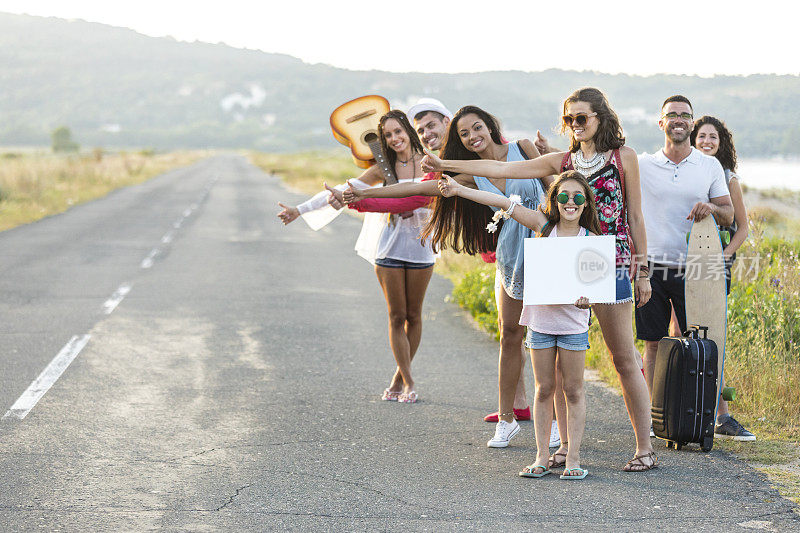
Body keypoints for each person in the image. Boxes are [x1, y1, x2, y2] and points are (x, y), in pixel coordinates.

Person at [421, 88, 658, 472]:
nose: (575, 125)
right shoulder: (561, 161)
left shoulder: (623, 158)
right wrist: (443, 162)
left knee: (624, 359)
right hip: (562, 266)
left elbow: (635, 218)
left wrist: (643, 271)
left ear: (600, 117)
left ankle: (645, 449)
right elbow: (501, 170)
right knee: (563, 366)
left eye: (582, 117)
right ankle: (564, 448)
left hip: (610, 264)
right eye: (569, 119)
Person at [344, 105, 557, 449]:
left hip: (547, 247)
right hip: (512, 254)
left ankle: (556, 420)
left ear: (490, 126)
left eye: (477, 128)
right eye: (464, 134)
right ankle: (506, 420)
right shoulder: (470, 176)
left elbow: (555, 188)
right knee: (509, 336)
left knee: (549, 336)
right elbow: (415, 191)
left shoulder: (522, 149)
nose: (473, 137)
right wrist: (366, 193)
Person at [438, 170, 600, 479]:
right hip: (540, 322)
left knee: (574, 390)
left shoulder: (592, 241)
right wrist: (459, 189)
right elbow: (503, 203)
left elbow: (594, 288)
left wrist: (587, 299)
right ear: (553, 201)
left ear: (586, 204)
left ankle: (573, 460)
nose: (570, 202)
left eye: (577, 197)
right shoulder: (543, 227)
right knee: (543, 390)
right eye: (563, 196)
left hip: (573, 326)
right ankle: (541, 456)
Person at [278, 110, 435, 403]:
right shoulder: (383, 167)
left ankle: (398, 378)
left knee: (414, 315)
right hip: (389, 247)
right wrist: (299, 210)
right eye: (387, 135)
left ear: (409, 131)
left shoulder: (430, 162)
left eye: (398, 132)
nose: (394, 139)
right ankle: (410, 381)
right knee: (396, 315)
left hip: (422, 247)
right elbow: (344, 189)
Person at [639, 106, 752, 440]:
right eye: (671, 114)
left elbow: (731, 218)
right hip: (653, 267)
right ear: (661, 122)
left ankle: (711, 415)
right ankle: (653, 415)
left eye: (685, 114)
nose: (678, 119)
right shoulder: (644, 164)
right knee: (654, 343)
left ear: (691, 121)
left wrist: (712, 208)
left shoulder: (712, 167)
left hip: (698, 267)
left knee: (704, 342)